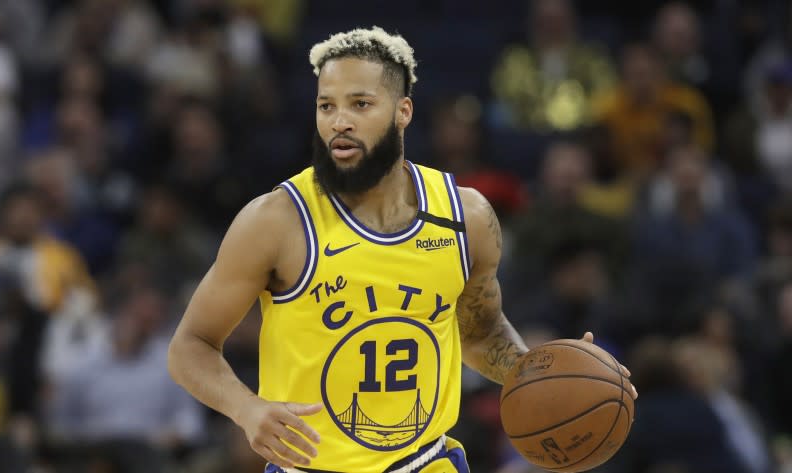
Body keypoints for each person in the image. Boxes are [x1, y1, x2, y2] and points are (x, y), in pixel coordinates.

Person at [167, 27, 637, 473]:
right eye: (326, 106)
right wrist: (247, 408)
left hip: (424, 461)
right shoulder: (275, 220)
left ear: (403, 111)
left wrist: (541, 370)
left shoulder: (466, 216)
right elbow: (190, 345)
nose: (340, 121)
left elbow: (476, 331)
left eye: (361, 104)